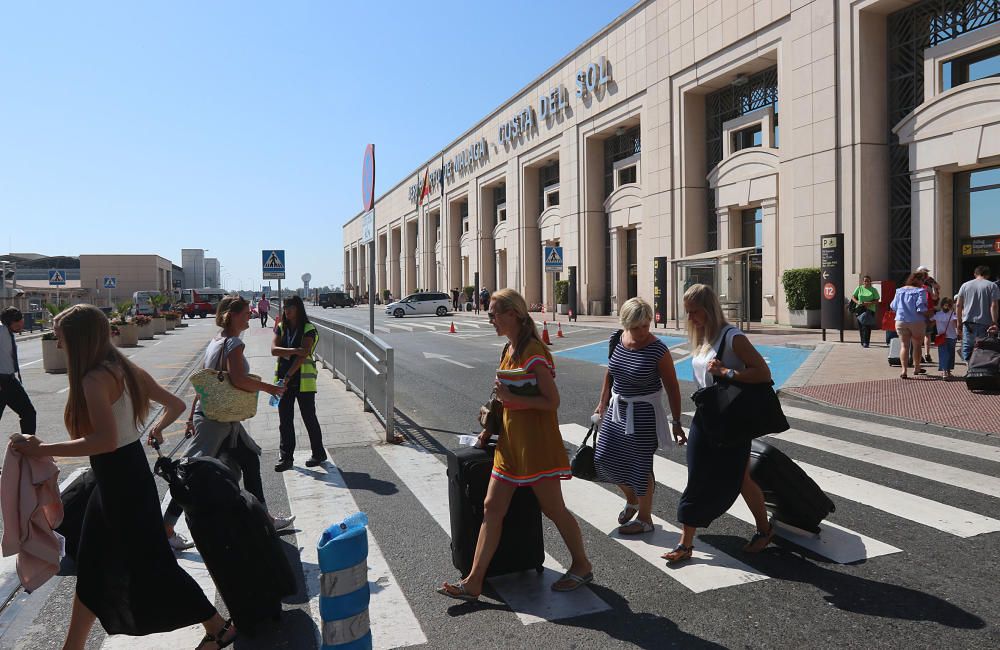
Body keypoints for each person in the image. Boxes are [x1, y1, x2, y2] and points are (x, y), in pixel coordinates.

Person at [11, 305, 236, 650]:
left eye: (60, 337)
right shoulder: (123, 368)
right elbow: (174, 404)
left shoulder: (92, 379)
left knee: (152, 565)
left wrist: (41, 449)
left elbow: (105, 440)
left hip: (118, 481)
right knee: (95, 566)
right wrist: (158, 429)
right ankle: (73, 646)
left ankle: (219, 628)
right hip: (126, 477)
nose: (57, 343)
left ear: (78, 339)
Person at [438, 289, 593, 600]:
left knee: (553, 509)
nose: (489, 318)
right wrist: (489, 428)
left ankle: (582, 564)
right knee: (491, 508)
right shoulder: (509, 349)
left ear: (513, 314)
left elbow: (551, 401)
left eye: (494, 313)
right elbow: (502, 400)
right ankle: (474, 581)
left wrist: (513, 400)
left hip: (536, 446)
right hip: (509, 445)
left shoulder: (533, 351)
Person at [161, 296, 293, 549]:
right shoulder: (233, 344)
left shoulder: (216, 342)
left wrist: (191, 416)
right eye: (245, 313)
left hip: (221, 417)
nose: (250, 315)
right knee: (188, 473)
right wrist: (268, 388)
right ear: (232, 316)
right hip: (216, 421)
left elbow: (203, 383)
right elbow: (239, 380)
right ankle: (166, 529)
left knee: (250, 459)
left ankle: (264, 519)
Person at [663, 284, 774, 565]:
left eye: (694, 312)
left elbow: (763, 373)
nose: (690, 319)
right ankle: (685, 543)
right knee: (697, 475)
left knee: (740, 479)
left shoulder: (732, 337)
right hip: (705, 415)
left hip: (731, 420)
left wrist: (726, 371)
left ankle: (764, 529)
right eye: (687, 312)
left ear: (709, 309)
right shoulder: (702, 337)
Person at [593, 298, 684, 535]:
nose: (643, 331)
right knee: (603, 457)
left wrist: (676, 422)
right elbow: (609, 372)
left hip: (644, 414)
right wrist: (601, 404)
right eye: (636, 327)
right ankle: (632, 498)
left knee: (640, 467)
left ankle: (645, 519)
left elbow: (673, 387)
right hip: (617, 410)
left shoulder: (658, 349)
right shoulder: (618, 338)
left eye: (646, 325)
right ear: (625, 324)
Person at [272, 295, 325, 471]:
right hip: (283, 381)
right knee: (284, 421)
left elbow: (304, 355)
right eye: (285, 306)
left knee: (309, 418)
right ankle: (286, 458)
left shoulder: (308, 329)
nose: (287, 310)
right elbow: (274, 350)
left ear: (298, 309)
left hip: (303, 382)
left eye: (291, 307)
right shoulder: (281, 327)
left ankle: (318, 453)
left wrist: (288, 375)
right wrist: (295, 350)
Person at [0, 307, 36, 437]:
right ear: (11, 322)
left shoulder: (7, 332)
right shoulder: (0, 332)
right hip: (1, 381)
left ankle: (27, 446)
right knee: (28, 413)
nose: (22, 324)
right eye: (20, 321)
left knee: (28, 413)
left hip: (10, 381)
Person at [890, 272, 930, 379]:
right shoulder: (920, 291)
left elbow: (893, 306)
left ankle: (904, 370)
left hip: (901, 320)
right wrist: (930, 315)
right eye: (922, 280)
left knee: (904, 345)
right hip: (916, 321)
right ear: (917, 280)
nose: (923, 283)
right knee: (917, 345)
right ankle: (917, 368)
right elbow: (921, 308)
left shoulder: (899, 291)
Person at [956, 265, 1000, 362]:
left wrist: (959, 323)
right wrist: (994, 322)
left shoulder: (965, 285)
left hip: (968, 323)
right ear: (988, 275)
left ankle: (969, 370)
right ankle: (981, 372)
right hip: (986, 324)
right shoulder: (992, 286)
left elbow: (958, 305)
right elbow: (994, 306)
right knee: (984, 349)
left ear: (975, 274)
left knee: (967, 349)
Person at [916, 265, 940, 364]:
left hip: (920, 311)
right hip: (927, 310)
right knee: (926, 334)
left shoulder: (916, 282)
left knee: (923, 334)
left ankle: (923, 354)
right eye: (925, 272)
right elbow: (936, 291)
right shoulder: (928, 283)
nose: (926, 274)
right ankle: (925, 354)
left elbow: (936, 290)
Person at [850, 275, 880, 348]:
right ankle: (862, 341)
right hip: (860, 308)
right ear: (863, 281)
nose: (866, 282)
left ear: (870, 281)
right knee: (861, 326)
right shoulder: (859, 288)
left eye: (868, 280)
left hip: (870, 309)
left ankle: (866, 342)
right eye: (865, 281)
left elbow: (877, 300)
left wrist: (870, 303)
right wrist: (857, 302)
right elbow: (853, 297)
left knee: (867, 326)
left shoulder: (873, 290)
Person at [933, 296, 959, 379]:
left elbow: (930, 322)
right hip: (952, 336)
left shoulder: (937, 315)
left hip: (941, 337)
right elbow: (956, 325)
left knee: (943, 354)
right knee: (951, 354)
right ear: (951, 305)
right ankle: (948, 371)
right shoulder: (953, 314)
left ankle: (944, 372)